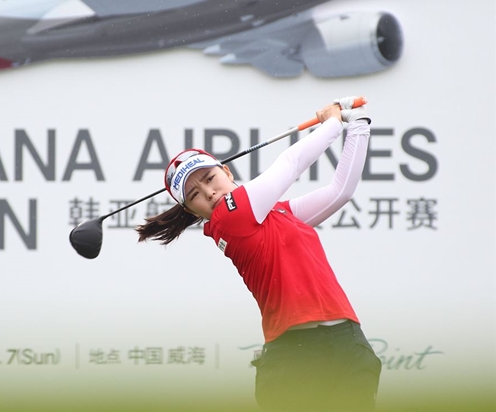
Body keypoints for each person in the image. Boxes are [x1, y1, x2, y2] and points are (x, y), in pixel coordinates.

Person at [136, 97, 382, 411]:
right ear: (189, 209)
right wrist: (333, 123)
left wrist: (359, 124)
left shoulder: (278, 213)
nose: (209, 193)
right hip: (297, 353)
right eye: (195, 194)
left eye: (210, 179)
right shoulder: (228, 218)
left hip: (347, 339)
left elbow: (341, 191)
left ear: (226, 171)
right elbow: (290, 165)